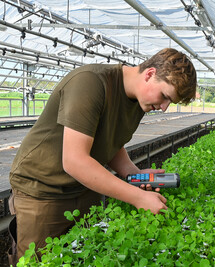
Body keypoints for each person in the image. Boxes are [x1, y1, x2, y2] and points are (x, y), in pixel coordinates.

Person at [7, 48, 197, 264]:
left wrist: (134, 174)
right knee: (38, 261)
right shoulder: (90, 83)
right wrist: (138, 197)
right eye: (164, 96)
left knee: (84, 256)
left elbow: (110, 141)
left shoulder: (138, 101)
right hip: (43, 190)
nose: (163, 107)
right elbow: (75, 161)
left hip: (86, 188)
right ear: (149, 73)